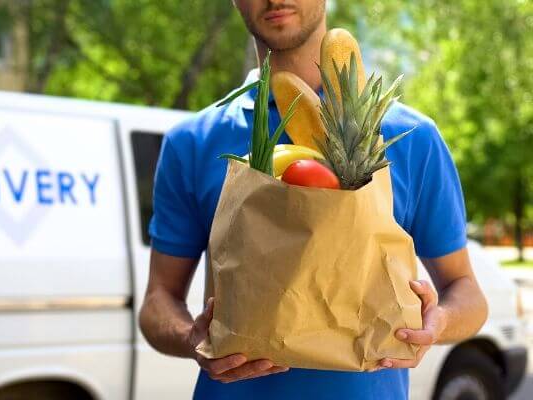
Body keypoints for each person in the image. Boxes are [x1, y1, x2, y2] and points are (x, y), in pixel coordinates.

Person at [138, 1, 489, 399]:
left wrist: (437, 322)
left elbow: (467, 292)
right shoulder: (192, 142)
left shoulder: (411, 138)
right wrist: (192, 339)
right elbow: (157, 301)